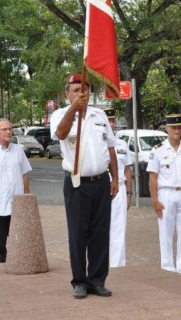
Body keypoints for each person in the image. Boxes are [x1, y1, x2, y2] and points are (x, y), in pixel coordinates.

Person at [50, 74, 118, 299]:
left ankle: (97, 279)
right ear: (66, 94)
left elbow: (110, 148)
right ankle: (79, 281)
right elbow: (60, 134)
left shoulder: (99, 115)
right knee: (78, 233)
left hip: (100, 182)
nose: (82, 93)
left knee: (100, 233)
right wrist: (73, 110)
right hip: (76, 183)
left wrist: (115, 179)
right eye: (77, 90)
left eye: (85, 90)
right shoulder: (60, 114)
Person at [147, 113, 181, 274]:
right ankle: (168, 265)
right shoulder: (158, 150)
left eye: (179, 127)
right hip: (166, 193)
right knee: (166, 231)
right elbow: (153, 177)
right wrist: (154, 200)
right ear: (166, 128)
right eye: (173, 127)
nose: (176, 130)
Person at [0, 118, 32, 264]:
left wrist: (27, 199)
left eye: (10, 129)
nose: (9, 132)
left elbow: (24, 175)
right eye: (5, 129)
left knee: (20, 240)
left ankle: (21, 265)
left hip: (18, 204)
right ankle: (0, 272)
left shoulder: (18, 150)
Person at [104, 108, 133, 268]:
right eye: (109, 121)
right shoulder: (98, 143)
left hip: (120, 187)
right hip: (102, 187)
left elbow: (128, 170)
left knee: (119, 225)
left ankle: (117, 261)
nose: (112, 124)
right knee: (102, 225)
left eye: (113, 121)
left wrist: (129, 193)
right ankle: (103, 259)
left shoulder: (122, 144)